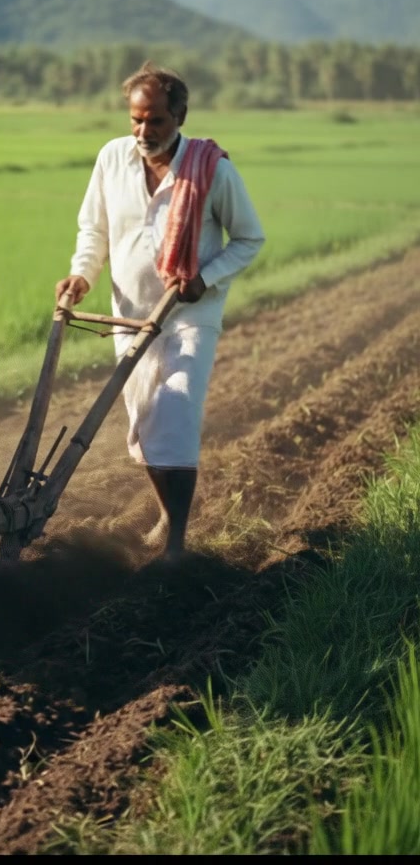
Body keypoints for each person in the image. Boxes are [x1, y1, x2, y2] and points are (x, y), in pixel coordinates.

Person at [55, 61, 265, 562]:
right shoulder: (112, 159)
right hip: (129, 313)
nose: (143, 132)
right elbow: (94, 229)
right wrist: (82, 274)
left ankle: (175, 544)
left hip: (191, 314)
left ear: (181, 116)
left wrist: (203, 280)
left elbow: (249, 239)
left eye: (156, 122)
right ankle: (168, 513)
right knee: (145, 421)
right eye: (136, 120)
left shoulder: (213, 170)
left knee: (176, 411)